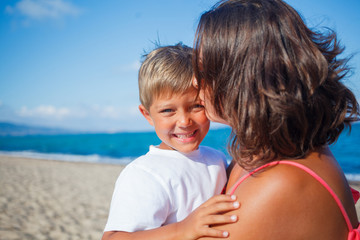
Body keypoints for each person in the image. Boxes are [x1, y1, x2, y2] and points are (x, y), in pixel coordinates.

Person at [192, 0, 360, 239]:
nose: (195, 82)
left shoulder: (280, 183)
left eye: (203, 69)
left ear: (240, 77)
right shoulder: (264, 150)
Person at [102, 43, 239, 240]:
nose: (184, 121)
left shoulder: (216, 159)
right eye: (168, 110)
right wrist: (182, 230)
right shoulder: (144, 173)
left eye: (196, 106)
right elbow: (112, 238)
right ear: (147, 115)